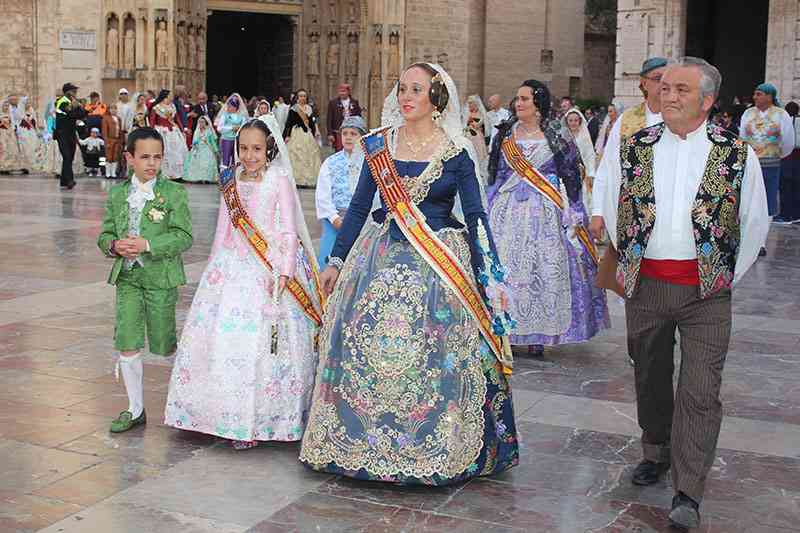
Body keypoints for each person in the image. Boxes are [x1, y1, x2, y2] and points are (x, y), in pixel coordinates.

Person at [299, 62, 518, 485]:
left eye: (416, 89)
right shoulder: (379, 145)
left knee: (438, 351)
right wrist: (336, 261)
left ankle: (432, 447)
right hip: (378, 257)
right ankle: (360, 443)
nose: (406, 96)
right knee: (361, 343)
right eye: (402, 88)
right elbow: (359, 208)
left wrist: (488, 275)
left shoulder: (456, 151)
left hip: (438, 264)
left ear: (436, 98)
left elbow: (475, 215)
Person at [599, 57, 769, 530]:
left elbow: (754, 221)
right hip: (647, 287)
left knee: (700, 391)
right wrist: (631, 258)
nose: (668, 95)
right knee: (650, 375)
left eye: (681, 89)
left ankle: (688, 492)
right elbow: (612, 203)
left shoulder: (737, 155)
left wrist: (722, 277)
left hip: (705, 293)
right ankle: (656, 448)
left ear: (707, 101)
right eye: (665, 87)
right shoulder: (634, 147)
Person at [165, 115, 323, 449]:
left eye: (257, 149)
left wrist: (284, 271)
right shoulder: (230, 180)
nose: (250, 156)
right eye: (244, 148)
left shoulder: (279, 180)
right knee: (222, 340)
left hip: (268, 265)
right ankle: (216, 414)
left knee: (259, 346)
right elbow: (223, 229)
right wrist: (213, 270)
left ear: (269, 150)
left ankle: (259, 419)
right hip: (232, 265)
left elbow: (288, 230)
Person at [487, 80, 609, 357]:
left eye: (524, 99)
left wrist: (575, 209)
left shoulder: (556, 135)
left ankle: (539, 333)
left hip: (545, 213)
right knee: (507, 268)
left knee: (542, 268)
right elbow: (496, 174)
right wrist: (490, 203)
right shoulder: (505, 134)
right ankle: (507, 329)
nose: (518, 103)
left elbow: (570, 174)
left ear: (538, 103)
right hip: (507, 212)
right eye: (517, 98)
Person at [97, 127, 193, 433]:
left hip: (160, 277)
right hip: (128, 277)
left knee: (164, 343)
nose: (151, 163)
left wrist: (148, 245)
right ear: (129, 158)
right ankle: (134, 408)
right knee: (127, 338)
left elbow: (184, 236)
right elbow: (105, 234)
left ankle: (186, 402)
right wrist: (114, 246)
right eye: (144, 157)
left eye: (157, 157)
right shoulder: (117, 194)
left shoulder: (173, 193)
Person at [591, 57, 667, 244]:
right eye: (658, 78)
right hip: (630, 213)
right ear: (644, 83)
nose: (665, 84)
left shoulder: (681, 120)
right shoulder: (627, 120)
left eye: (669, 79)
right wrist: (598, 211)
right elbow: (607, 166)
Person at [740, 83, 795, 232]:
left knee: (768, 198)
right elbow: (742, 137)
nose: (755, 97)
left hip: (770, 163)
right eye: (755, 94)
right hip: (751, 164)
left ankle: (763, 235)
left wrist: (776, 154)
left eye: (759, 94)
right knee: (750, 198)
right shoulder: (748, 113)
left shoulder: (781, 114)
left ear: (769, 97)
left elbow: (788, 141)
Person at [315, 115, 367, 268]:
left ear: (362, 137)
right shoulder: (330, 163)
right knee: (329, 263)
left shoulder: (369, 164)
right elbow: (323, 196)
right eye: (345, 133)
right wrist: (335, 219)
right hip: (335, 221)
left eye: (353, 134)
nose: (348, 137)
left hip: (362, 223)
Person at [283, 89, 321, 187]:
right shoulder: (294, 108)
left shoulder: (309, 108)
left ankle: (308, 180)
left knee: (309, 155)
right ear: (297, 97)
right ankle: (297, 180)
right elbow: (289, 123)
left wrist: (316, 132)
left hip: (307, 134)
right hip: (296, 133)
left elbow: (312, 122)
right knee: (296, 155)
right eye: (300, 96)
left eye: (304, 96)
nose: (302, 98)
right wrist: (287, 135)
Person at [147, 89, 188, 179]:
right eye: (170, 96)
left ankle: (176, 174)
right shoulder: (157, 108)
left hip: (173, 131)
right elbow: (152, 121)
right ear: (165, 97)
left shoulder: (172, 107)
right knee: (164, 152)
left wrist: (182, 130)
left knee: (176, 152)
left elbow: (177, 119)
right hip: (162, 132)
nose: (172, 97)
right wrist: (151, 133)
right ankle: (163, 173)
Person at [562, 107, 597, 213]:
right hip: (566, 176)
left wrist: (591, 173)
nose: (573, 123)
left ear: (580, 121)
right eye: (570, 120)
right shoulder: (563, 137)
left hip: (582, 175)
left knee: (583, 201)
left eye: (576, 120)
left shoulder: (584, 137)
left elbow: (590, 156)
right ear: (567, 122)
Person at [55, 82, 86, 189]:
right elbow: (70, 113)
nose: (75, 93)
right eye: (73, 91)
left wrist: (80, 107)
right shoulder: (61, 101)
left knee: (69, 157)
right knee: (67, 156)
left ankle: (64, 181)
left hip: (71, 133)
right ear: (67, 92)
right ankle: (69, 180)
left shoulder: (73, 102)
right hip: (62, 133)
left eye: (75, 91)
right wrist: (74, 107)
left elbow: (81, 115)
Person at [778, 101, 800, 224]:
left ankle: (785, 215)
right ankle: (796, 214)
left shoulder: (786, 122)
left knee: (785, 187)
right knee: (797, 188)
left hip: (787, 158)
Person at [215, 93, 250, 169]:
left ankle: (235, 174)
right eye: (228, 106)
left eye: (231, 106)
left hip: (237, 140)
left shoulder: (241, 116)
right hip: (226, 139)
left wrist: (239, 128)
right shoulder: (225, 115)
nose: (228, 107)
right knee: (226, 158)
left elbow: (244, 128)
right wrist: (231, 128)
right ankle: (224, 174)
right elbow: (219, 128)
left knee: (236, 159)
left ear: (235, 107)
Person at [182, 116, 219, 183]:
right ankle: (198, 178)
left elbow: (212, 142)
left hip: (207, 148)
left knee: (207, 162)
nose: (201, 124)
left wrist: (216, 150)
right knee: (196, 162)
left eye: (203, 122)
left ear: (206, 123)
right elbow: (194, 141)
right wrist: (194, 145)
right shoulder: (197, 131)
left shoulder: (209, 131)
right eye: (200, 122)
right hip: (198, 148)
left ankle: (206, 178)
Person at [326, 83, 362, 150]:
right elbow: (329, 119)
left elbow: (359, 117)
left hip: (352, 130)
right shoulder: (333, 103)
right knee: (339, 150)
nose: (341, 93)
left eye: (343, 91)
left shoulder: (354, 102)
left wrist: (359, 131)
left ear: (348, 92)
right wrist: (330, 133)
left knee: (352, 149)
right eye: (340, 91)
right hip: (338, 131)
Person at [463, 94, 489, 179]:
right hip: (467, 136)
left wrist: (470, 121)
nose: (469, 105)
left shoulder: (480, 114)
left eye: (471, 103)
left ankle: (479, 173)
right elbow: (463, 125)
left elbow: (477, 125)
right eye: (469, 103)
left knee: (478, 156)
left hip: (477, 137)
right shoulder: (467, 113)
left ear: (475, 103)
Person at [17, 104, 47, 173]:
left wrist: (38, 132)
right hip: (25, 133)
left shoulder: (32, 116)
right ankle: (26, 165)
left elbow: (35, 125)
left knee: (33, 148)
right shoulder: (23, 116)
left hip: (32, 133)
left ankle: (32, 164)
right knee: (26, 149)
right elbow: (20, 125)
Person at [102, 103, 124, 178]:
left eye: (115, 108)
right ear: (109, 109)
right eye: (112, 108)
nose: (113, 110)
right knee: (109, 156)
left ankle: (113, 173)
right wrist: (106, 141)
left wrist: (121, 141)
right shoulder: (106, 118)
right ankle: (107, 173)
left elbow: (120, 130)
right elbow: (104, 131)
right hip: (109, 139)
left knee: (115, 156)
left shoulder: (119, 119)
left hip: (117, 139)